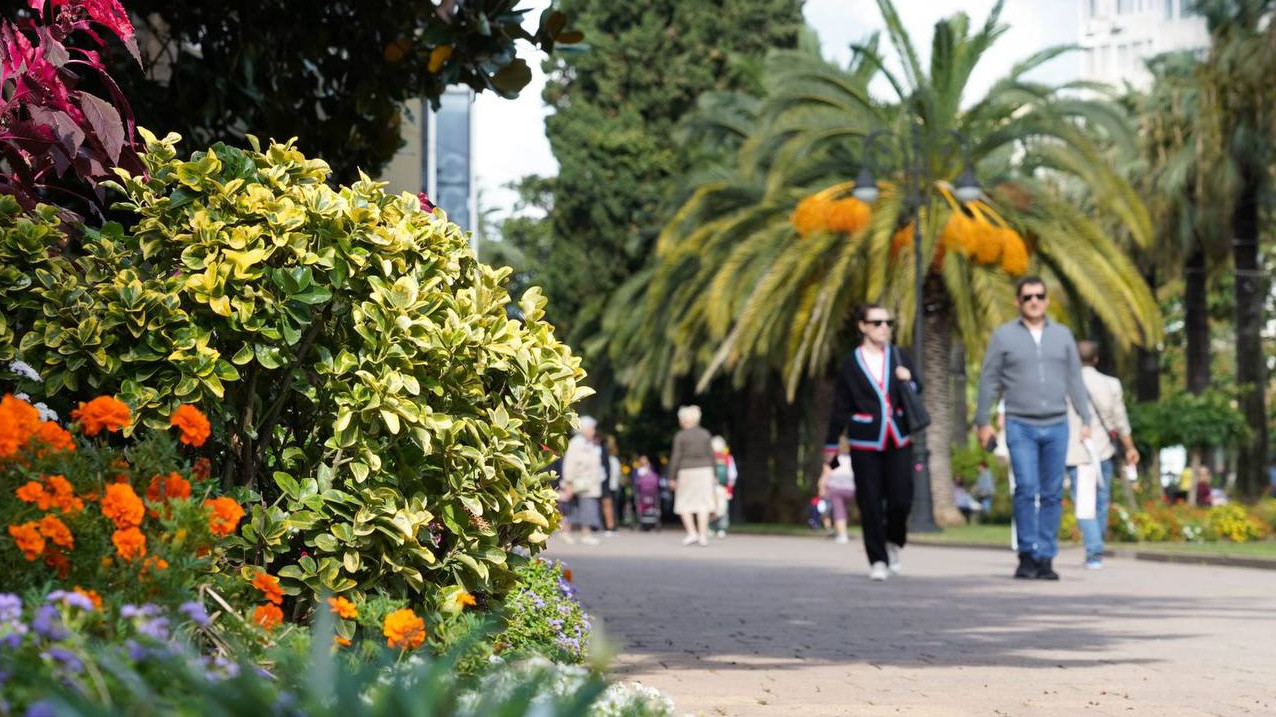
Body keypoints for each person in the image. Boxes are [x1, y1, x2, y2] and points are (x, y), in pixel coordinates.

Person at [976, 277, 1090, 581]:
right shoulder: (1004, 336)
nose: (1034, 302)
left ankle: (1046, 558)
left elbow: (1075, 379)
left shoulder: (1063, 336)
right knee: (1026, 488)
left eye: (1039, 296)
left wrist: (1086, 419)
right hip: (1019, 423)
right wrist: (982, 421)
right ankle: (1027, 554)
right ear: (1018, 302)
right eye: (1028, 297)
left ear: (1047, 300)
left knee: (1052, 492)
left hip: (1057, 423)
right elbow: (988, 380)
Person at [824, 303, 921, 582]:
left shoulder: (900, 356)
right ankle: (877, 559)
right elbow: (840, 407)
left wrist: (909, 380)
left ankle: (894, 541)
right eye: (877, 323)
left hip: (899, 437)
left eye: (888, 322)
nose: (884, 328)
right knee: (870, 502)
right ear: (862, 327)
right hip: (865, 440)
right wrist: (831, 447)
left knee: (902, 498)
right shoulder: (851, 363)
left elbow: (919, 389)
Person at [1064, 341, 1139, 570]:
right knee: (1101, 502)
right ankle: (1096, 549)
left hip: (1077, 452)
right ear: (1096, 359)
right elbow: (1120, 421)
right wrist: (1130, 448)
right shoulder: (1111, 384)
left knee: (1085, 503)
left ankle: (1094, 551)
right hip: (1103, 450)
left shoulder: (1065, 384)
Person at [668, 405, 717, 546]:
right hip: (705, 471)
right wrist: (714, 474)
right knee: (704, 504)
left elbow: (676, 456)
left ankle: (692, 533)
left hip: (686, 471)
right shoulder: (705, 434)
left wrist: (672, 477)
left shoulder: (680, 436)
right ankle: (703, 536)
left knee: (684, 503)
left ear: (683, 420)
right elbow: (712, 455)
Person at [561, 416, 605, 545]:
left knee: (587, 507)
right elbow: (569, 464)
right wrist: (568, 482)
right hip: (578, 482)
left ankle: (586, 533)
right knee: (572, 507)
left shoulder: (590, 444)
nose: (593, 431)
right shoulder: (575, 443)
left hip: (590, 483)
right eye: (592, 428)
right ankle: (568, 532)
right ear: (584, 429)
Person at [817, 435, 856, 544]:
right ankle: (841, 532)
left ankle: (842, 535)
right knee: (843, 510)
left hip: (836, 488)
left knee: (839, 510)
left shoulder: (833, 458)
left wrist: (821, 487)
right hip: (850, 489)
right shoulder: (852, 458)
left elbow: (827, 474)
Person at [709, 435, 738, 538]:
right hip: (710, 488)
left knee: (723, 508)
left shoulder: (728, 458)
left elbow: (732, 473)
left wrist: (730, 485)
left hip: (723, 487)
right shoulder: (709, 458)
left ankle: (721, 528)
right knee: (711, 508)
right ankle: (711, 527)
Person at [601, 435, 622, 537]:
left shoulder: (609, 461)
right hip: (613, 486)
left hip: (608, 486)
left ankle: (609, 527)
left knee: (608, 507)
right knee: (613, 507)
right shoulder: (615, 460)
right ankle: (612, 526)